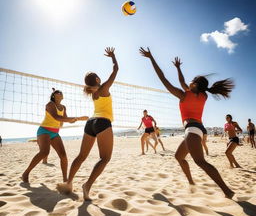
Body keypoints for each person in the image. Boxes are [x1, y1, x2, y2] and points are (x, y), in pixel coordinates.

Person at [140, 48, 235, 198]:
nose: (189, 82)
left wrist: (151, 58)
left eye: (193, 81)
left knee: (200, 162)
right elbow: (183, 82)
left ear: (195, 85)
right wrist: (178, 68)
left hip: (192, 129)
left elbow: (163, 78)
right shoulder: (203, 95)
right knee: (179, 157)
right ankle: (191, 182)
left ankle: (227, 190)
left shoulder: (183, 95)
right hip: (195, 129)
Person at [57, 47, 118, 201]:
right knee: (105, 158)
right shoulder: (103, 88)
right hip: (103, 122)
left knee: (81, 156)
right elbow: (116, 69)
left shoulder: (93, 93)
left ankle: (68, 183)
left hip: (90, 123)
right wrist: (113, 56)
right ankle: (87, 186)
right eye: (98, 76)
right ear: (97, 80)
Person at [22, 89, 88, 183]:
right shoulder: (50, 105)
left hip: (55, 133)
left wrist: (75, 119)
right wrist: (75, 118)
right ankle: (26, 173)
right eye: (57, 92)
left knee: (63, 156)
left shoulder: (63, 107)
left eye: (61, 92)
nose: (60, 93)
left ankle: (65, 180)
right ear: (53, 95)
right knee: (44, 152)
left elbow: (64, 119)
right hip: (44, 130)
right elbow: (56, 117)